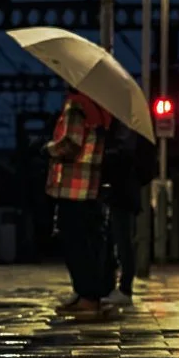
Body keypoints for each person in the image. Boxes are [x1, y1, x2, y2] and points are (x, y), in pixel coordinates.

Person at [45, 88, 112, 320]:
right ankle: (88, 295)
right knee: (90, 242)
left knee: (74, 242)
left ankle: (86, 298)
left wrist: (49, 148)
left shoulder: (76, 105)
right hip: (91, 185)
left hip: (73, 185)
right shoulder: (99, 108)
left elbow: (71, 144)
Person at [100, 119, 154, 306]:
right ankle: (117, 287)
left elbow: (121, 159)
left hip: (121, 192)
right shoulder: (134, 130)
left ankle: (124, 288)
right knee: (119, 240)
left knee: (122, 241)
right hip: (126, 191)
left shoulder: (124, 132)